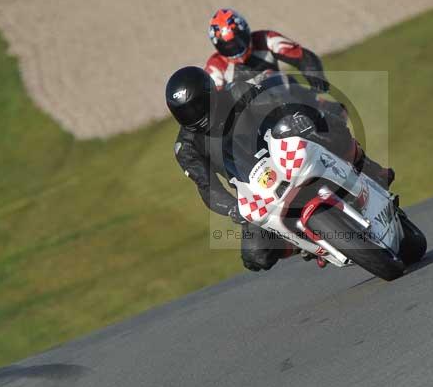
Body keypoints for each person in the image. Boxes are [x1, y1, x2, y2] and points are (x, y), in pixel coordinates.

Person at [166, 65, 394, 272]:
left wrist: (296, 118)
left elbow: (277, 107)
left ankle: (369, 168)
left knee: (327, 123)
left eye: (198, 105)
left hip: (283, 148)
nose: (196, 115)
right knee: (255, 256)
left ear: (211, 93)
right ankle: (301, 244)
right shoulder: (186, 147)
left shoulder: (238, 93)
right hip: (252, 185)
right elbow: (207, 186)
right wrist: (231, 208)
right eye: (187, 112)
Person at [204, 9, 342, 116]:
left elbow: (301, 55)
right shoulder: (215, 67)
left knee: (338, 111)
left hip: (285, 95)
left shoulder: (266, 39)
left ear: (246, 31)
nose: (235, 48)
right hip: (248, 118)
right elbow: (215, 103)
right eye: (227, 46)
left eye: (238, 41)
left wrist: (313, 72)